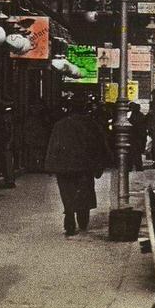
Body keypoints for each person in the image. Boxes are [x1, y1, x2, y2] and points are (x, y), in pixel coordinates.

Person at [45, 97, 110, 236]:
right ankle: (82, 218)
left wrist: (50, 165)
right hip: (84, 166)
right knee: (84, 192)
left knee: (67, 192)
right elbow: (99, 145)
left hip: (64, 166)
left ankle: (69, 216)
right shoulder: (91, 124)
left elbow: (53, 146)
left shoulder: (60, 124)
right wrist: (101, 163)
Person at [0, 102, 17, 188]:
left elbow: (11, 131)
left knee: (7, 161)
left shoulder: (7, 118)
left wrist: (9, 143)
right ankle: (8, 180)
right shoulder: (6, 117)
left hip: (6, 143)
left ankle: (9, 180)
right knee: (5, 161)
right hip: (3, 142)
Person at [128, 102, 148, 171]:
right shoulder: (140, 115)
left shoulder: (133, 115)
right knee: (136, 153)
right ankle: (138, 167)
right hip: (138, 136)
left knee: (132, 152)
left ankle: (131, 166)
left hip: (134, 136)